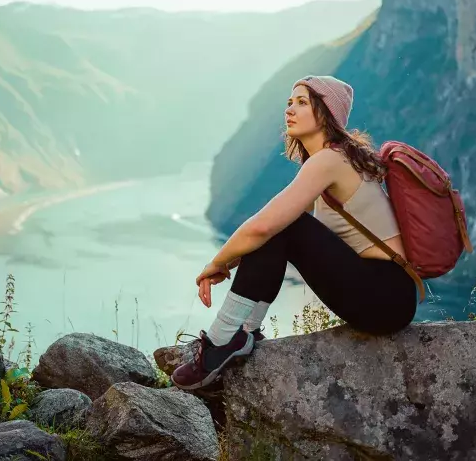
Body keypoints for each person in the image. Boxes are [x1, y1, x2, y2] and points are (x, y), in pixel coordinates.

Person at [171, 75, 417, 390]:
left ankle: (222, 340)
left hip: (384, 296)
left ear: (327, 113)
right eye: (290, 102)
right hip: (388, 295)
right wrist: (232, 260)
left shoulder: (329, 160)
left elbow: (263, 226)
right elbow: (269, 232)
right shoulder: (338, 157)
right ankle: (243, 333)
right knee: (282, 227)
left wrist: (218, 263)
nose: (290, 109)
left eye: (303, 102)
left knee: (285, 224)